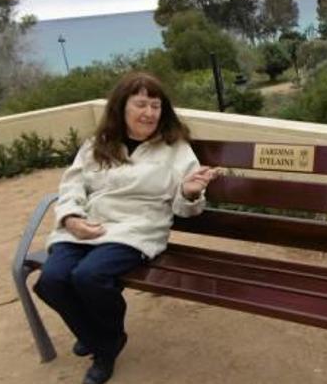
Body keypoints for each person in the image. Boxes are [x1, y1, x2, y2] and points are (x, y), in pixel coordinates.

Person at [33, 71, 218, 384]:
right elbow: (72, 186)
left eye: (156, 106)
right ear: (121, 107)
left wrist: (189, 191)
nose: (149, 113)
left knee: (89, 276)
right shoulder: (98, 145)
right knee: (50, 280)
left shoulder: (176, 149)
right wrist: (72, 219)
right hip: (87, 225)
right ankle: (99, 334)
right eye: (141, 104)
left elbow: (189, 207)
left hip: (137, 229)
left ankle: (104, 349)